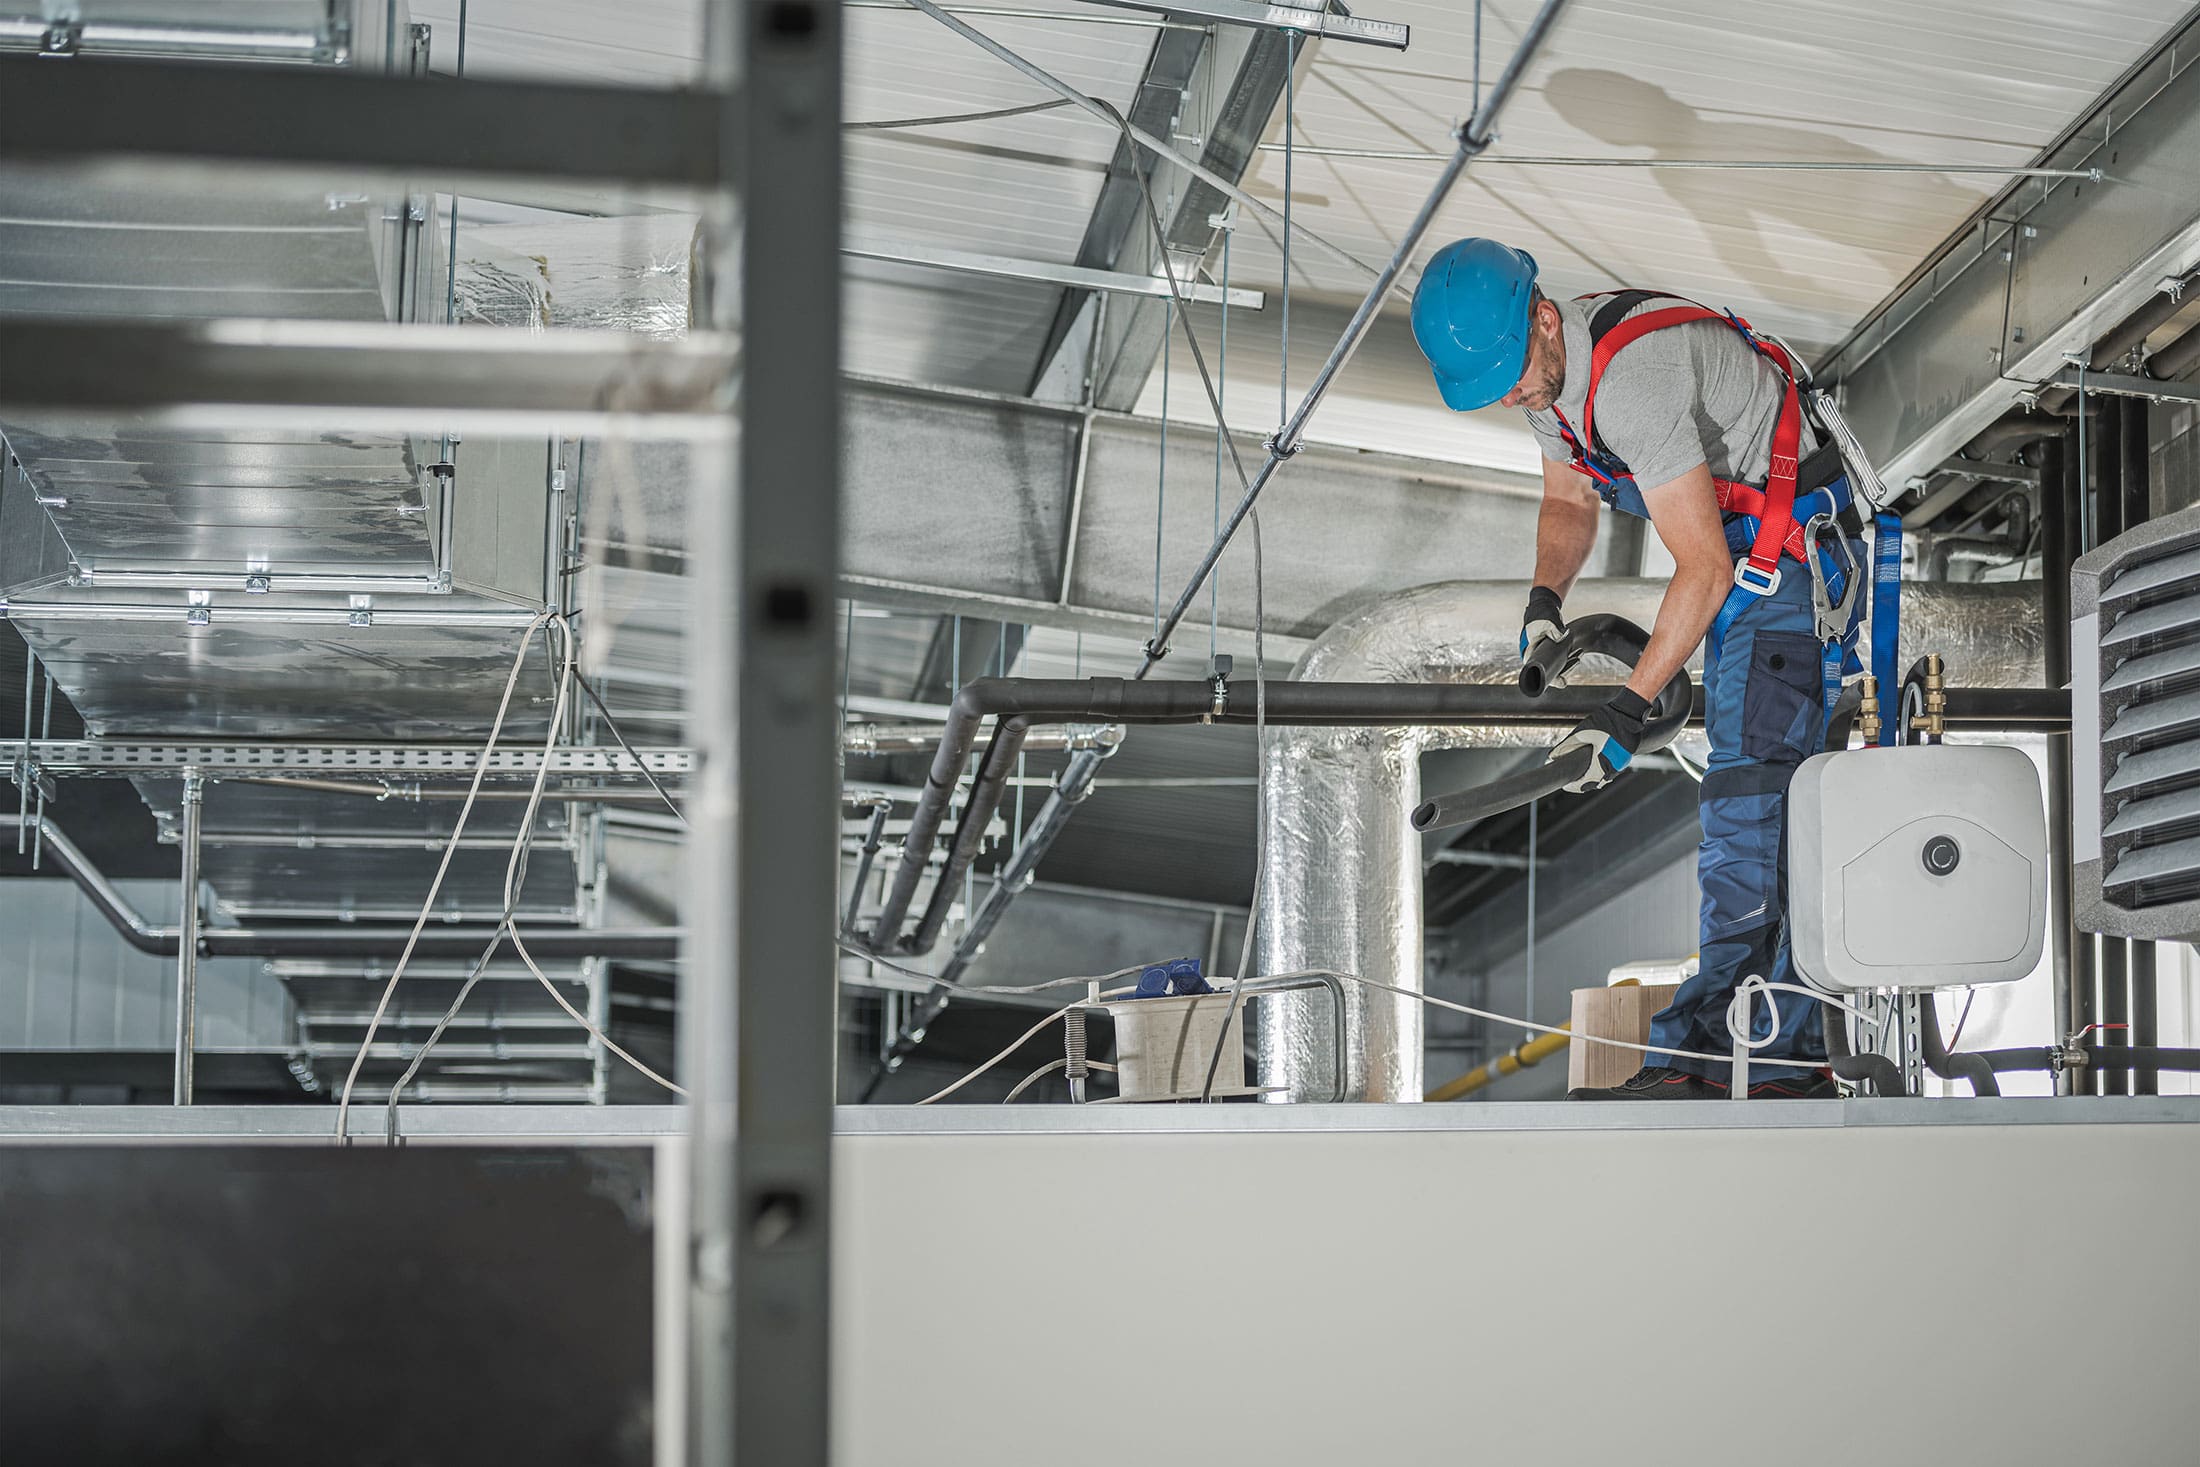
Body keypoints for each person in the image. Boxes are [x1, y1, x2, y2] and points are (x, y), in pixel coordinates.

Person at [1410, 236, 1870, 1099]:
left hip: (1792, 559)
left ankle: (1760, 1058)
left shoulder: (1632, 380)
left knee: (1752, 803)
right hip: (1745, 557)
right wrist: (1545, 603)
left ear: (1545, 319)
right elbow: (1567, 499)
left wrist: (1626, 713)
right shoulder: (1544, 381)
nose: (1512, 394)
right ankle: (1728, 1052)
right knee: (1752, 803)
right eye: (1499, 387)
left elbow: (1704, 569)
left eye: (1513, 373)